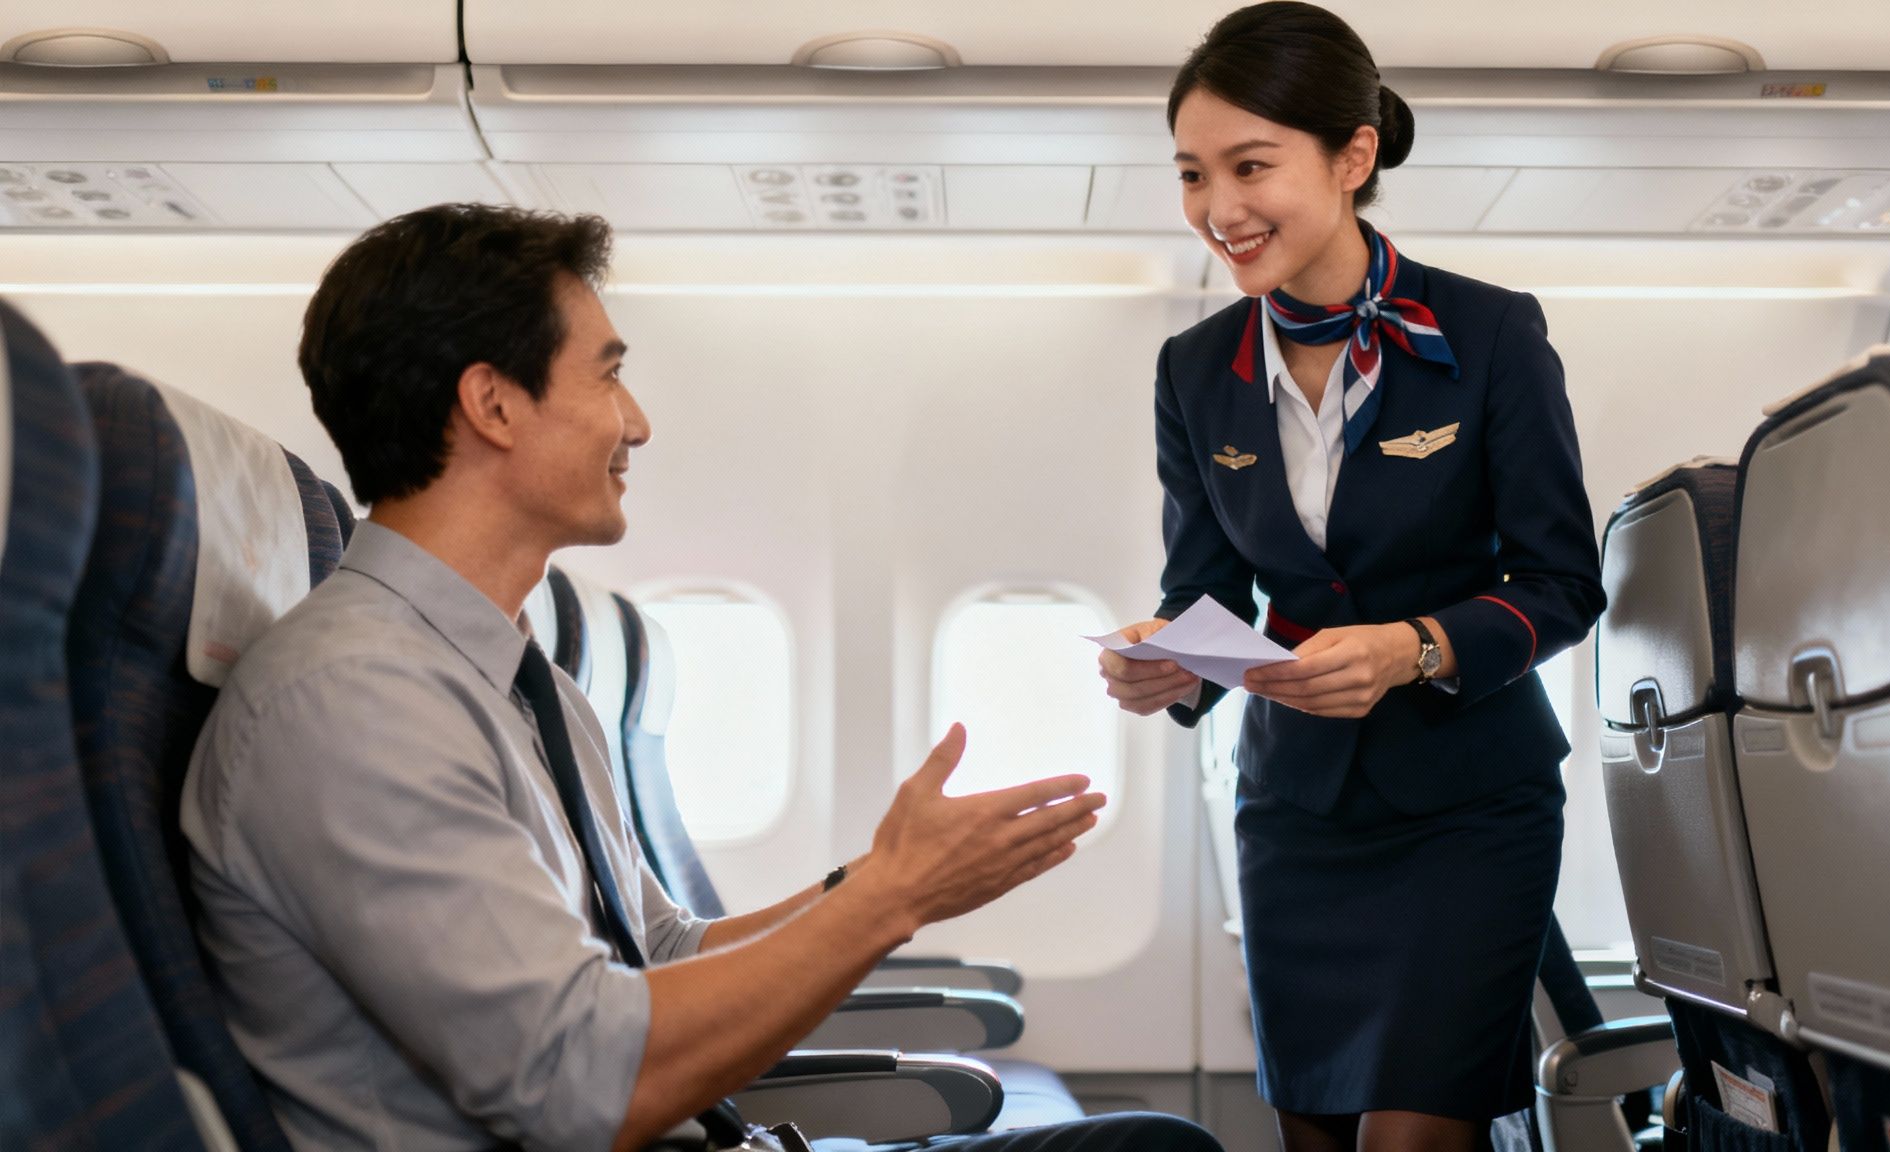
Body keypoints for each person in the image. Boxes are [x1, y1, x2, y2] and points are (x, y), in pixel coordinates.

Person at [181, 203, 1223, 1152]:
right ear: (492, 404)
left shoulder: (522, 686)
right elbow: (579, 1083)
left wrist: (878, 877)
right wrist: (891, 901)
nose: (635, 422)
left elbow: (657, 948)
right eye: (605, 375)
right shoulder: (353, 702)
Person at [1098, 5, 1606, 1151]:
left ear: (1352, 155)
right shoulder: (1196, 371)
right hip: (1295, 816)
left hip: (1471, 806)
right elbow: (1207, 591)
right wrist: (1171, 664)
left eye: (1249, 166)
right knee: (1315, 1140)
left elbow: (1561, 583)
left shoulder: (1486, 335)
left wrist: (1410, 646)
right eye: (1191, 174)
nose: (1217, 210)